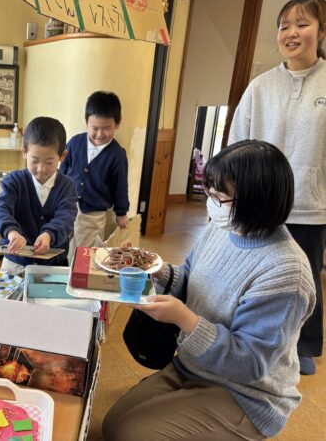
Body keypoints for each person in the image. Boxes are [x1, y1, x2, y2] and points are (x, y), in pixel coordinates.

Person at [103, 141, 316, 441]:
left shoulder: (286, 273)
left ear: (256, 200)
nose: (211, 202)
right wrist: (152, 267)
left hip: (247, 394)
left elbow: (251, 363)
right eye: (209, 192)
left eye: (219, 196)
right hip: (195, 366)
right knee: (113, 424)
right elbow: (191, 279)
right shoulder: (223, 228)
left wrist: (185, 319)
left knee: (128, 433)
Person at [229, 0, 326, 375]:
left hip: (309, 204)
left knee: (305, 277)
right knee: (256, 271)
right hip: (260, 202)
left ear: (321, 31)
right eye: (284, 26)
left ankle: (303, 344)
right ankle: (248, 337)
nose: (291, 33)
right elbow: (238, 142)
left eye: (302, 24)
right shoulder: (260, 86)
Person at [0, 116, 77, 275]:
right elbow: (0, 208)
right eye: (35, 161)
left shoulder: (67, 186)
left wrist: (49, 235)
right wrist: (12, 232)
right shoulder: (14, 181)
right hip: (15, 261)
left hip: (52, 264)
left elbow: (66, 218)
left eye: (49, 162)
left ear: (62, 156)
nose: (41, 169)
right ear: (24, 152)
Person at [59, 91, 129, 248]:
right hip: (66, 206)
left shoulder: (117, 154)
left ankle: (83, 265)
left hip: (93, 214)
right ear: (86, 123)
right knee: (62, 243)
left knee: (87, 250)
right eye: (94, 128)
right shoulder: (75, 143)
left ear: (117, 124)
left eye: (106, 128)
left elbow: (120, 186)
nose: (99, 134)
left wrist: (121, 212)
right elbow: (62, 170)